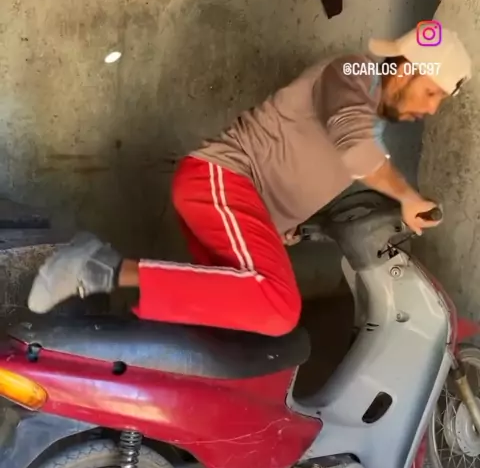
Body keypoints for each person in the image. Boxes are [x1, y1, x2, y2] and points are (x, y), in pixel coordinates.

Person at [28, 25, 472, 336]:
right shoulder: (352, 72)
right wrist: (408, 196)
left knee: (230, 318)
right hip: (220, 179)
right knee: (277, 306)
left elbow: (332, 159)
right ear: (405, 69)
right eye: (431, 92)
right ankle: (98, 266)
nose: (432, 109)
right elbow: (355, 150)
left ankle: (139, 371)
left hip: (237, 198)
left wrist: (285, 225)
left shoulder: (373, 118)